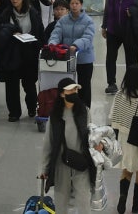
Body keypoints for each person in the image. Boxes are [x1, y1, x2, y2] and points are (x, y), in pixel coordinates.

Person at [40, 78, 97, 214]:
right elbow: (48, 143)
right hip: (61, 165)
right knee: (61, 203)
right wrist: (44, 168)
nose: (74, 92)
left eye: (75, 89)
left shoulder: (84, 111)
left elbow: (91, 134)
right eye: (70, 90)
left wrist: (97, 146)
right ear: (62, 94)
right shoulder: (55, 116)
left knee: (84, 203)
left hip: (82, 163)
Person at [109, 64, 138, 214]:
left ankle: (122, 198)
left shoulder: (119, 94)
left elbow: (112, 116)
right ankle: (136, 205)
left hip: (123, 138)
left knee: (126, 170)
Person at [0, 0, 43, 122]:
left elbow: (39, 31)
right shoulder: (6, 13)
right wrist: (11, 33)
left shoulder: (33, 12)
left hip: (29, 52)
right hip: (12, 52)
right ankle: (14, 112)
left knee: (29, 84)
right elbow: (0, 29)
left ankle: (32, 107)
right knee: (11, 84)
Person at [48, 0, 96, 108]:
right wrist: (52, 44)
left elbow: (88, 37)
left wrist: (76, 45)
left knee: (84, 86)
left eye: (77, 3)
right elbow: (56, 34)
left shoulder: (88, 21)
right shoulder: (63, 20)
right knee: (68, 86)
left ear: (81, 5)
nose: (74, 6)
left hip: (84, 59)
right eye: (72, 3)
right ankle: (69, 109)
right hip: (67, 59)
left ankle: (85, 110)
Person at [101, 0, 138, 95]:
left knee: (131, 59)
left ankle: (131, 84)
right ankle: (111, 83)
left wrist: (133, 12)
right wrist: (104, 26)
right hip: (113, 31)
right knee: (111, 57)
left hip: (129, 32)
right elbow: (107, 11)